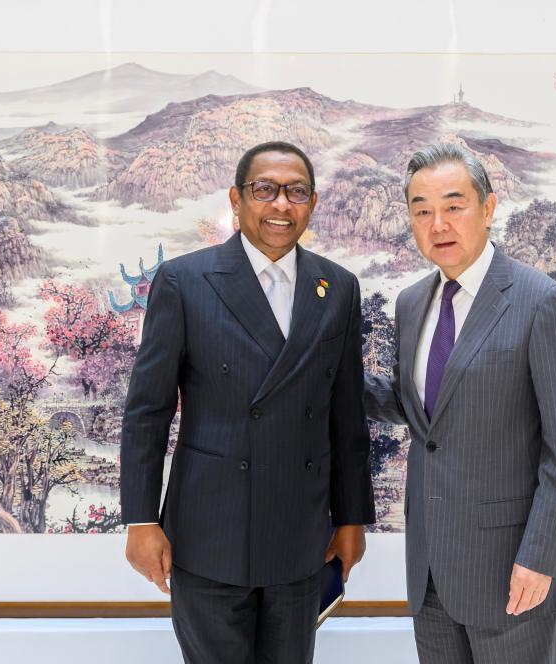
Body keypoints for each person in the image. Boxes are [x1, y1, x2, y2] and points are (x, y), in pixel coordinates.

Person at [120, 141, 375, 663]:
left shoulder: (338, 286)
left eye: (296, 192)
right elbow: (148, 411)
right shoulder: (185, 281)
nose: (281, 204)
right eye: (265, 190)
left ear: (312, 203)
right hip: (209, 529)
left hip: (300, 532)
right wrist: (141, 520)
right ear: (237, 199)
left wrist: (351, 519)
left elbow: (346, 417)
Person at [364, 143, 556, 663]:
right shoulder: (412, 302)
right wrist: (325, 377)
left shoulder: (541, 301)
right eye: (422, 211)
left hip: (513, 572)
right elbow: (420, 406)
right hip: (430, 570)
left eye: (453, 205)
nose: (438, 224)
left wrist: (541, 558)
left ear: (487, 209)